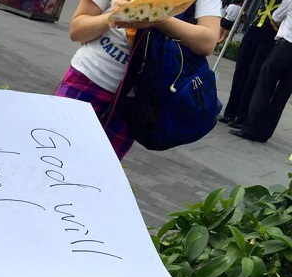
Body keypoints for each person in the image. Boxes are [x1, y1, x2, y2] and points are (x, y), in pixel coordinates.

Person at [57, 0, 221, 159]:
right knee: (49, 151)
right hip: (86, 79)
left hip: (134, 99)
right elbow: (77, 29)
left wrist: (153, 16)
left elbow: (207, 41)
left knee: (95, 176)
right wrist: (115, 16)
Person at [230, 0, 292, 141]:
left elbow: (275, 18)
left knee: (264, 86)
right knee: (282, 95)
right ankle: (265, 133)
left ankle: (250, 128)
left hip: (285, 47)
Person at [218, 0, 281, 128]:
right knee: (240, 71)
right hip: (254, 29)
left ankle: (242, 115)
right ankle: (231, 111)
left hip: (271, 34)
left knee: (253, 75)